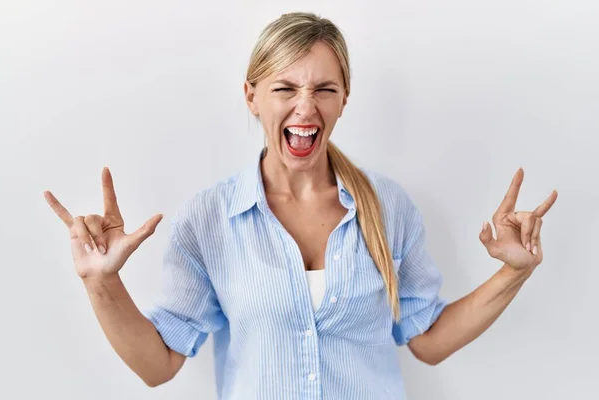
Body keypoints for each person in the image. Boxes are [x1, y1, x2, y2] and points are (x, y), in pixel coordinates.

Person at [44, 11, 558, 400]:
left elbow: (426, 340)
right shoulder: (209, 219)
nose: (305, 107)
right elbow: (158, 366)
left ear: (344, 98)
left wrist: (514, 273)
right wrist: (101, 281)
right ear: (251, 96)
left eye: (324, 89)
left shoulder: (389, 207)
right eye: (284, 88)